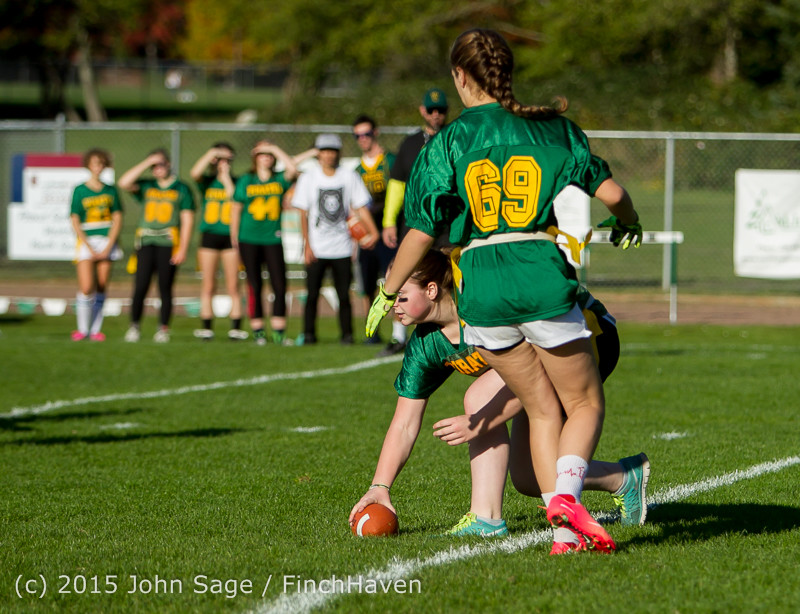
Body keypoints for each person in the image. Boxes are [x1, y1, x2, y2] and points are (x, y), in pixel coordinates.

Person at [365, 28, 643, 553]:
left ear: (459, 76)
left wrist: (387, 289)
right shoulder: (550, 127)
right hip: (535, 270)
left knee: (540, 410)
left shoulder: (446, 141)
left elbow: (421, 231)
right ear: (507, 71)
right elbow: (613, 194)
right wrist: (629, 220)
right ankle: (567, 499)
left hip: (480, 286)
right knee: (581, 402)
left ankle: (564, 535)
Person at [350, 251, 650, 552]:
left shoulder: (483, 303)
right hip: (533, 368)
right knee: (528, 477)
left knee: (479, 397)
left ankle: (487, 517)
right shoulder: (425, 343)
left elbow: (539, 369)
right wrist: (380, 486)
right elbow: (404, 423)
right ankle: (623, 478)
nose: (391, 304)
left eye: (400, 294)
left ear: (431, 290)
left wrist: (481, 421)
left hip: (587, 333)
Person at [378, 88, 450, 356]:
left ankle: (454, 332)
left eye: (441, 110)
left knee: (449, 278)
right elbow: (397, 185)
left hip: (448, 225)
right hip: (415, 224)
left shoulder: (454, 138)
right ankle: (399, 337)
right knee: (405, 275)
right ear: (422, 111)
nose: (436, 114)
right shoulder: (410, 144)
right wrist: (388, 221)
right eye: (431, 110)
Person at [291, 134, 379, 345]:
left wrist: (373, 231)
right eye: (324, 151)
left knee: (344, 295)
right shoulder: (308, 178)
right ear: (318, 154)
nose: (329, 155)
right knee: (312, 294)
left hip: (342, 247)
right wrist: (307, 245)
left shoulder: (349, 176)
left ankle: (347, 335)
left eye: (332, 151)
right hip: (317, 247)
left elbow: (360, 207)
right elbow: (302, 213)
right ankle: (309, 334)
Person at [119, 148, 196, 343]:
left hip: (168, 242)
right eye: (153, 166)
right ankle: (134, 326)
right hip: (146, 241)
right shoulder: (147, 185)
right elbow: (124, 182)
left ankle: (163, 328)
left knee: (165, 287)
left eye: (160, 164)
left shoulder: (181, 188)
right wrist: (147, 162)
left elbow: (187, 219)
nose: (157, 169)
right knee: (140, 286)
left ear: (168, 164)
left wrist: (183, 248)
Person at [230, 140, 300, 346]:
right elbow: (236, 209)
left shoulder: (279, 179)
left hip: (272, 238)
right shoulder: (246, 179)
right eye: (262, 154)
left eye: (269, 155)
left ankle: (279, 332)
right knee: (254, 285)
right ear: (255, 157)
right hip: (249, 238)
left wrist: (274, 148)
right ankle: (258, 331)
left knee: (279, 285)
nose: (266, 157)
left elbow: (293, 169)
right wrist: (234, 237)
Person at [189, 142, 247, 341]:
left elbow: (235, 198)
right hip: (209, 236)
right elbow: (194, 173)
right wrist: (212, 153)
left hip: (231, 237)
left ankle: (235, 328)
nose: (224, 163)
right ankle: (207, 328)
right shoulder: (207, 181)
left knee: (233, 285)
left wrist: (226, 178)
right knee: (208, 285)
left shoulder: (238, 181)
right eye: (220, 159)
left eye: (227, 159)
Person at [68, 148, 123, 342]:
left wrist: (109, 245)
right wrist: (88, 245)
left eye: (101, 164)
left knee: (101, 286)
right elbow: (75, 219)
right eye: (94, 164)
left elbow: (117, 217)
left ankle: (95, 330)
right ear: (88, 166)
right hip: (87, 241)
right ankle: (82, 329)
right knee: (86, 286)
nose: (97, 168)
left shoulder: (111, 190)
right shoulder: (80, 190)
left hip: (106, 240)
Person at [351, 115, 396, 344]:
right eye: (357, 135)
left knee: (394, 279)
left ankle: (399, 332)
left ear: (375, 133)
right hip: (368, 234)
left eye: (366, 134)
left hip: (389, 229)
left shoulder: (390, 161)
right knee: (367, 284)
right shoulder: (356, 170)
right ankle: (373, 331)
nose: (363, 139)